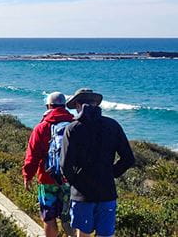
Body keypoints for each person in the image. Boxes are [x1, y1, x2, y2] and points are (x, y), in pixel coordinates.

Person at [61, 88, 135, 237]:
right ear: (96, 104)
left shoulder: (72, 129)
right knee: (105, 234)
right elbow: (128, 158)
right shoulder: (112, 125)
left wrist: (75, 181)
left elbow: (65, 165)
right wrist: (111, 173)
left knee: (83, 233)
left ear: (77, 105)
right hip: (106, 191)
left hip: (82, 193)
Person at [22, 92, 74, 237]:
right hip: (70, 180)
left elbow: (32, 156)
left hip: (47, 179)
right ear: (65, 106)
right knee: (70, 217)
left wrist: (28, 176)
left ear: (48, 106)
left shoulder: (42, 127)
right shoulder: (75, 124)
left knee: (49, 218)